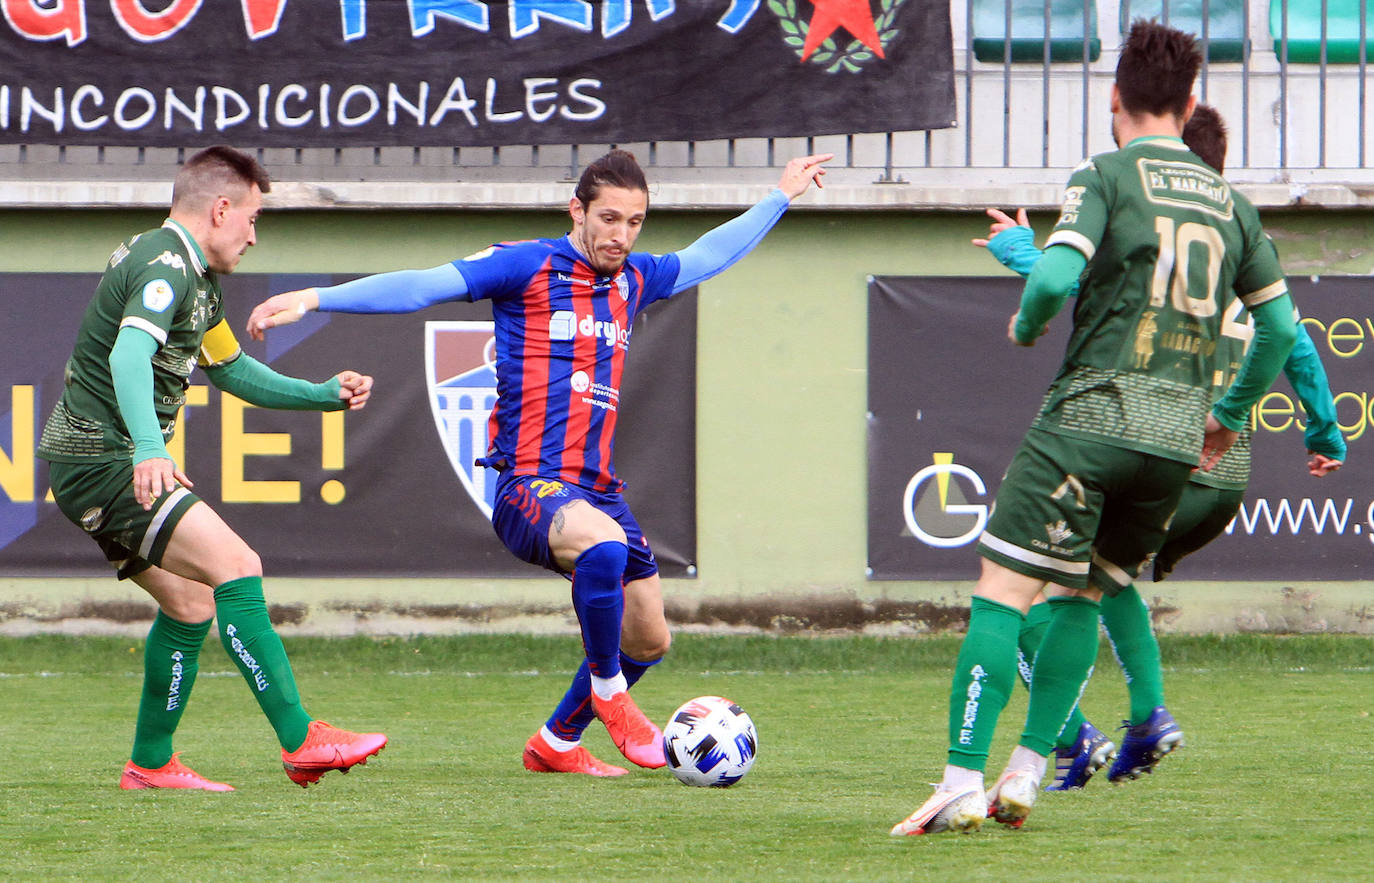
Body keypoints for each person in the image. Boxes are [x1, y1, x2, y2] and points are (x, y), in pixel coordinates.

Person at [245, 149, 832, 777]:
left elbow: (709, 256)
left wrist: (780, 196)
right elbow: (423, 284)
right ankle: (611, 696)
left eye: (635, 222)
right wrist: (313, 297)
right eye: (609, 218)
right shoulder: (526, 264)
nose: (621, 235)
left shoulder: (636, 278)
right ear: (575, 210)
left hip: (598, 491)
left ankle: (555, 742)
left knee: (649, 640)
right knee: (604, 550)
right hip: (528, 485)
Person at [890, 21, 1299, 836]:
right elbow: (1281, 331)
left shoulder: (1105, 173)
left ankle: (959, 779)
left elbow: (1055, 274)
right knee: (1089, 588)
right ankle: (1030, 770)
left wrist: (1026, 323)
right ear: (1189, 107)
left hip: (1090, 417)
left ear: (1114, 98)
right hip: (1176, 441)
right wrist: (1224, 417)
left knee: (1001, 595)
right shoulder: (1233, 205)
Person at [976, 104, 1346, 792]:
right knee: (1104, 576)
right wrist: (1324, 432)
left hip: (1167, 438)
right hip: (1222, 472)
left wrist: (1018, 253)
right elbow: (1291, 334)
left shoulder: (1148, 234)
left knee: (1031, 593)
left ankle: (1068, 734)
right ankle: (1145, 713)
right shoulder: (1235, 244)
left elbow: (1081, 278)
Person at [36, 145, 388, 791]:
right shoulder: (165, 265)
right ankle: (302, 739)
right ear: (221, 208)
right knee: (239, 566)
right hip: (104, 457)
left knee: (194, 604)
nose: (254, 236)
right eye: (252, 219)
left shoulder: (197, 280)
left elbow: (231, 370)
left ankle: (149, 763)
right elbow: (127, 357)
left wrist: (320, 394)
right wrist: (149, 448)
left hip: (94, 460)